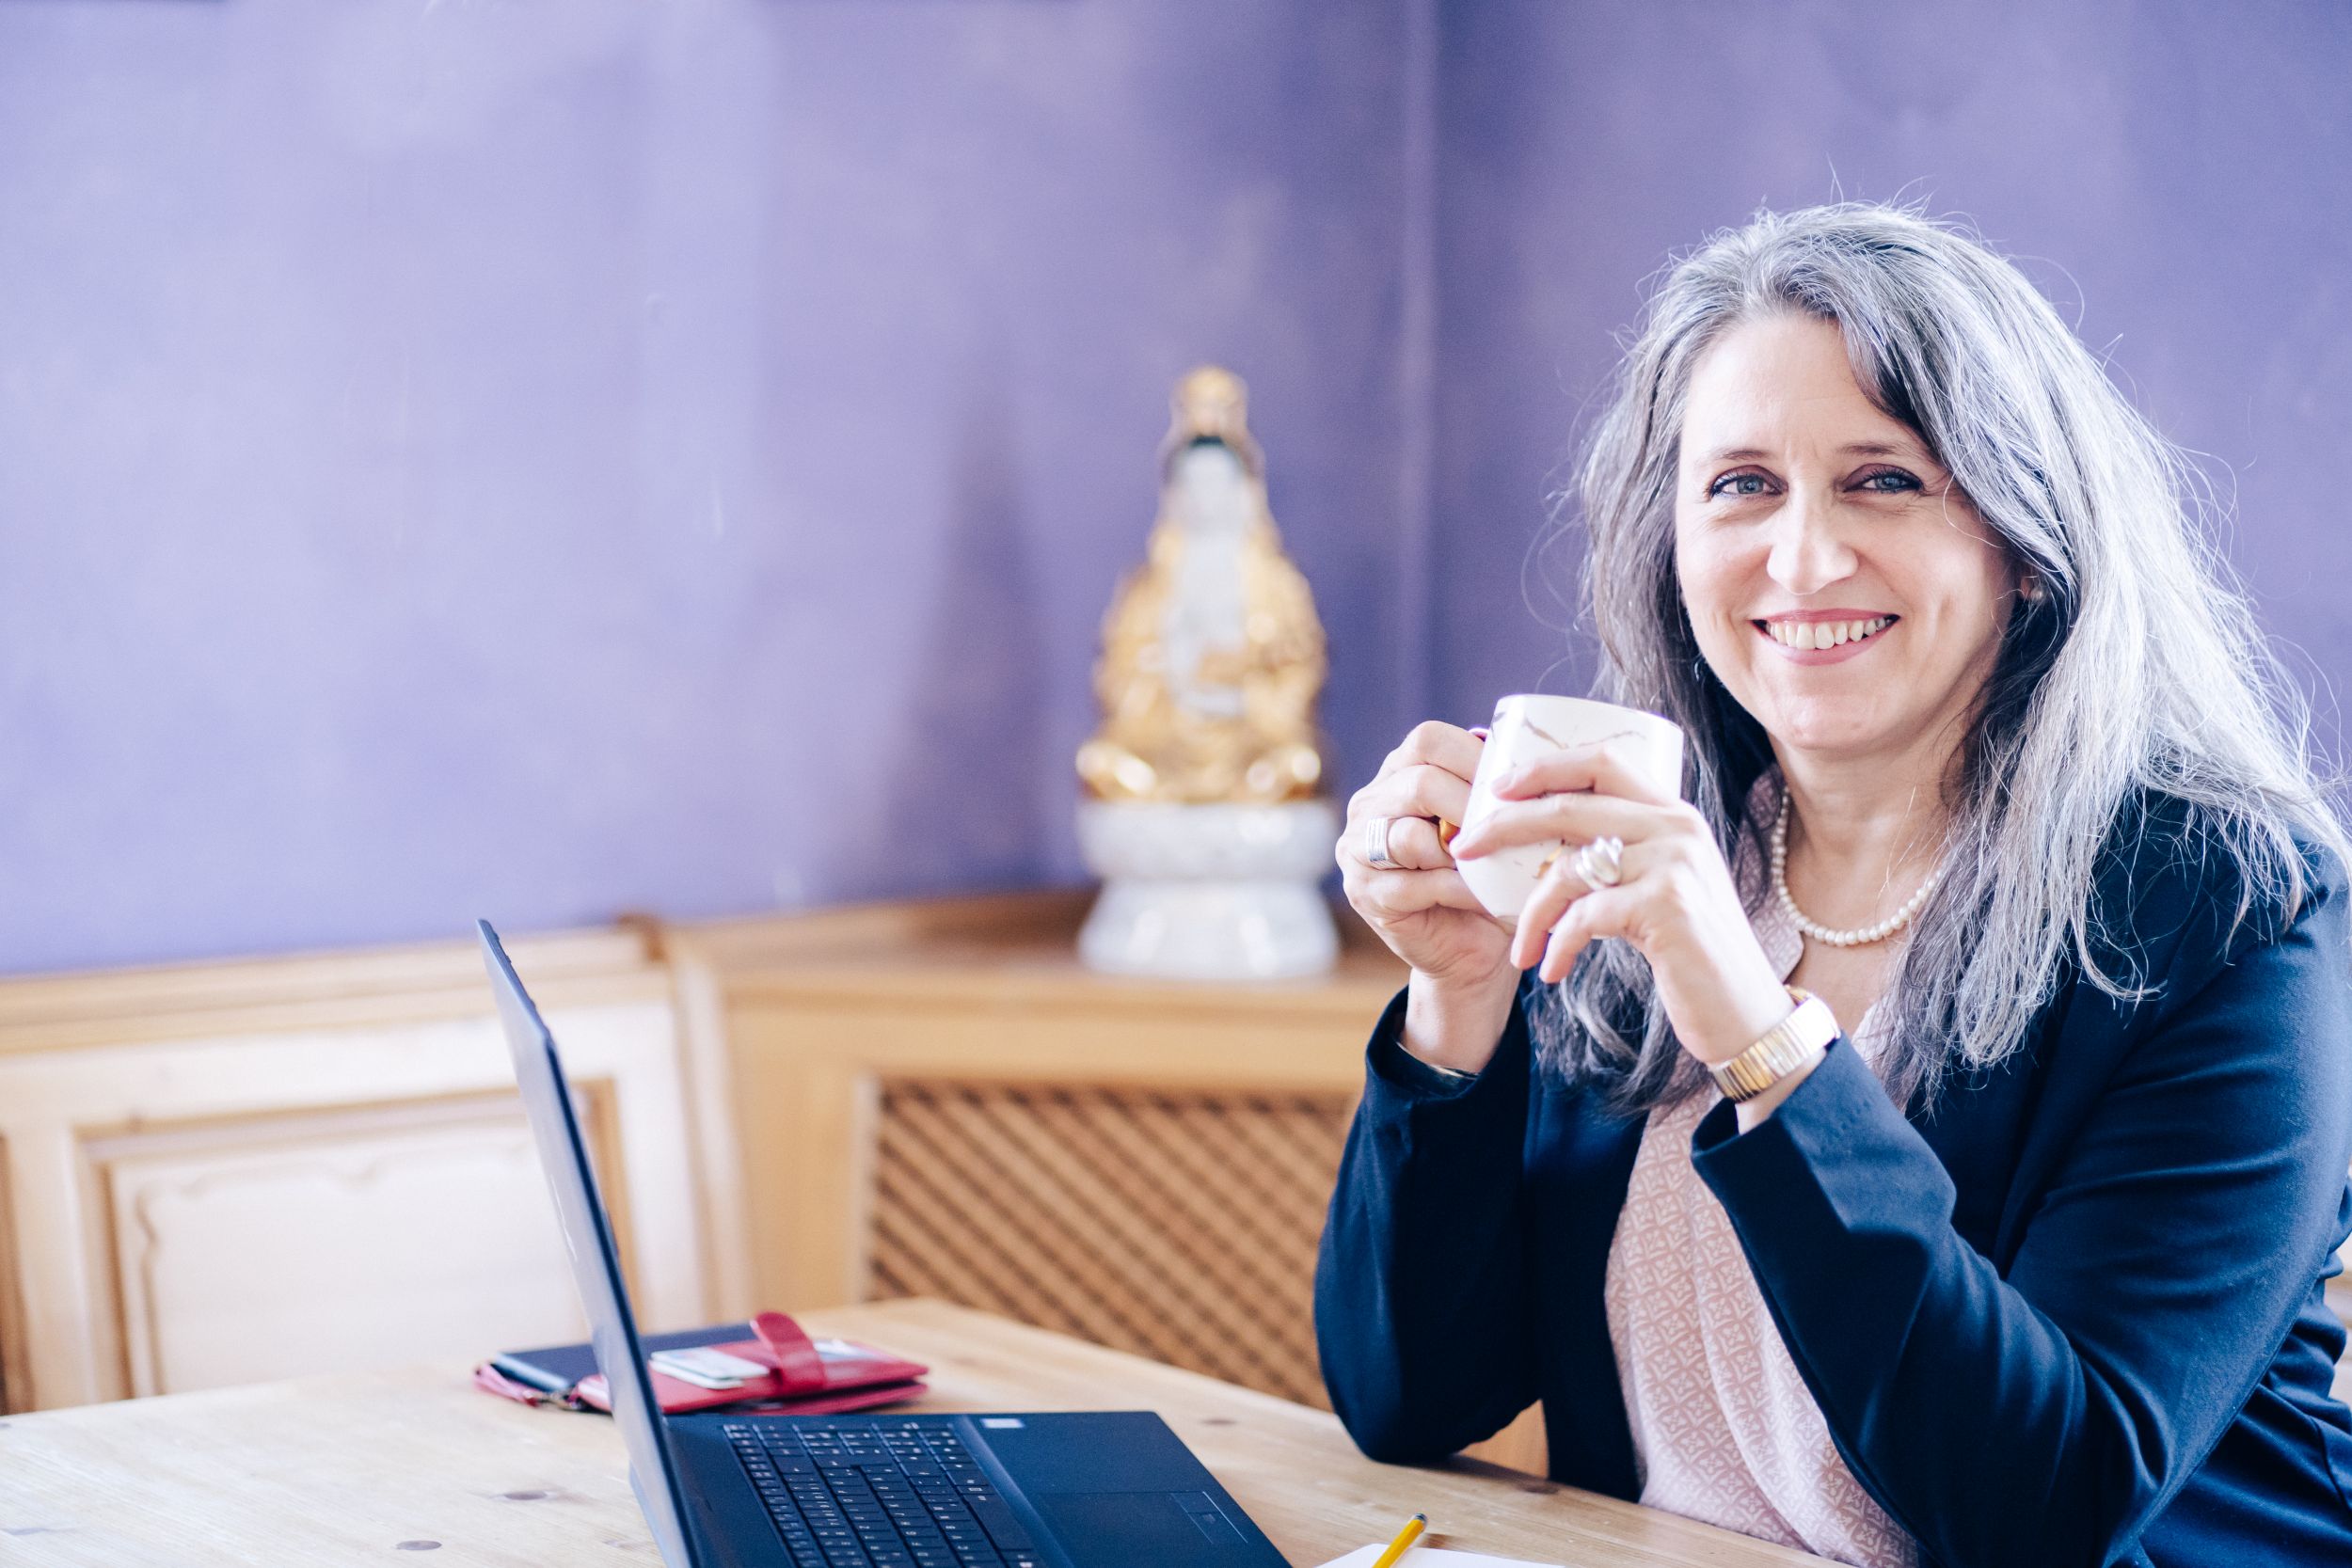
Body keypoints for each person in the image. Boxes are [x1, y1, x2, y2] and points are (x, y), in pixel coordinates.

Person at [1317, 204, 2352, 1568]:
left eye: (1883, 479)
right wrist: (1456, 999)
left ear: (2026, 546)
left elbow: (2043, 1506)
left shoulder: (2227, 913)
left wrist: (1758, 1036)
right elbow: (1413, 1399)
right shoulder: (1669, 853)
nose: (1801, 557)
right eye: (1740, 485)